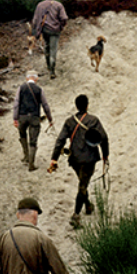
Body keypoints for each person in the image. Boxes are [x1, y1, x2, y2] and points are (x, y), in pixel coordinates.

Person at [48, 93, 109, 224]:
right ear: (87, 105)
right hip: (89, 159)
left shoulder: (69, 121)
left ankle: (88, 206)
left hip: (74, 159)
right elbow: (103, 138)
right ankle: (76, 215)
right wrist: (105, 155)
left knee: (83, 182)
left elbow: (60, 140)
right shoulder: (94, 120)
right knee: (83, 185)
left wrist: (54, 158)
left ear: (76, 106)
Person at [12, 70, 53, 171]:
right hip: (34, 117)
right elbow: (45, 105)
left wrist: (15, 118)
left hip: (22, 117)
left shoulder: (20, 88)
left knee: (22, 136)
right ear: (36, 78)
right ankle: (31, 164)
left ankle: (26, 156)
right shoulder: (39, 89)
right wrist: (50, 118)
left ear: (26, 78)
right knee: (33, 141)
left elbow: (16, 104)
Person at [31, 0, 69, 78]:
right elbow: (64, 18)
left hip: (44, 30)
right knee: (53, 49)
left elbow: (35, 20)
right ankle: (52, 71)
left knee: (47, 46)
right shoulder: (58, 5)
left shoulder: (40, 5)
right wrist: (61, 26)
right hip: (55, 30)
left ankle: (48, 65)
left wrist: (35, 31)